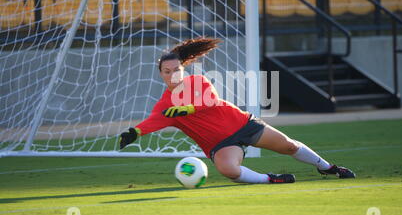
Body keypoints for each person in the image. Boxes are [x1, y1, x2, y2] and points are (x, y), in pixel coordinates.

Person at [119, 37, 355, 184]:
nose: (173, 75)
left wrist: (186, 109)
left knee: (289, 146)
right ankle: (270, 179)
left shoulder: (199, 81)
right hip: (220, 144)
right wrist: (135, 132)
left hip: (242, 124)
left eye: (176, 69)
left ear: (184, 68)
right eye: (167, 71)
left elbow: (210, 100)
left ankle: (327, 168)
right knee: (229, 170)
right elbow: (153, 121)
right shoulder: (164, 104)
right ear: (161, 74)